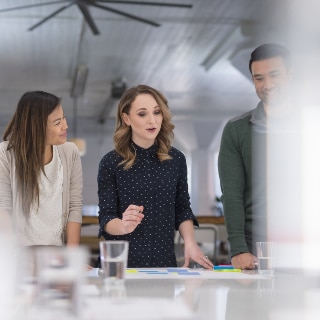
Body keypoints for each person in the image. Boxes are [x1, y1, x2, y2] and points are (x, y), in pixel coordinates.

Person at [97, 84, 213, 269]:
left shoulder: (177, 159)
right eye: (142, 114)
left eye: (157, 112)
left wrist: (190, 243)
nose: (152, 120)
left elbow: (182, 209)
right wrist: (124, 225)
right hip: (121, 266)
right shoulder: (111, 162)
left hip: (163, 264)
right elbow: (106, 218)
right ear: (126, 118)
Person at [218, 43, 294, 270]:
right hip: (255, 252)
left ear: (291, 74)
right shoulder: (236, 130)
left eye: (274, 75)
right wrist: (239, 249)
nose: (267, 84)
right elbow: (232, 196)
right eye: (258, 78)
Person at [0, 91, 83, 247]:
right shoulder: (5, 154)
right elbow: (2, 209)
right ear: (36, 127)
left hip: (56, 255)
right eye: (57, 122)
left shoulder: (70, 152)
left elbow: (74, 207)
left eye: (63, 117)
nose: (65, 125)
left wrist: (71, 258)